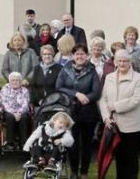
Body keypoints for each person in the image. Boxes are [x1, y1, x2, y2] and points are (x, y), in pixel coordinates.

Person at [56, 43, 101, 179]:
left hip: (88, 112)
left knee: (87, 145)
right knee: (72, 143)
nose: (79, 56)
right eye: (77, 54)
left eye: (82, 54)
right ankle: (74, 171)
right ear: (73, 55)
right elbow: (59, 87)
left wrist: (87, 97)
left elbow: (97, 92)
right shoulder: (65, 69)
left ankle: (84, 171)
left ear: (86, 55)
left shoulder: (92, 70)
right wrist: (76, 94)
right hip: (70, 112)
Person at [99, 49, 140, 179]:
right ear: (115, 62)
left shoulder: (138, 78)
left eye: (125, 61)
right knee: (119, 157)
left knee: (131, 158)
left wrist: (115, 106)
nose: (122, 63)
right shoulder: (109, 77)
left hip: (132, 125)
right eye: (119, 61)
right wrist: (106, 117)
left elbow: (137, 100)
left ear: (130, 62)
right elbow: (103, 99)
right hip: (114, 125)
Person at [0, 72, 30, 150]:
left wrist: (19, 113)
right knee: (10, 117)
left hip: (21, 111)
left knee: (24, 117)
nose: (15, 82)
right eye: (13, 80)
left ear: (20, 81)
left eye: (17, 80)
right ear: (9, 81)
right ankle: (10, 143)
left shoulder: (25, 90)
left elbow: (26, 104)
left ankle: (23, 142)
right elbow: (4, 103)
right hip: (9, 111)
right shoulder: (5, 89)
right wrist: (14, 113)